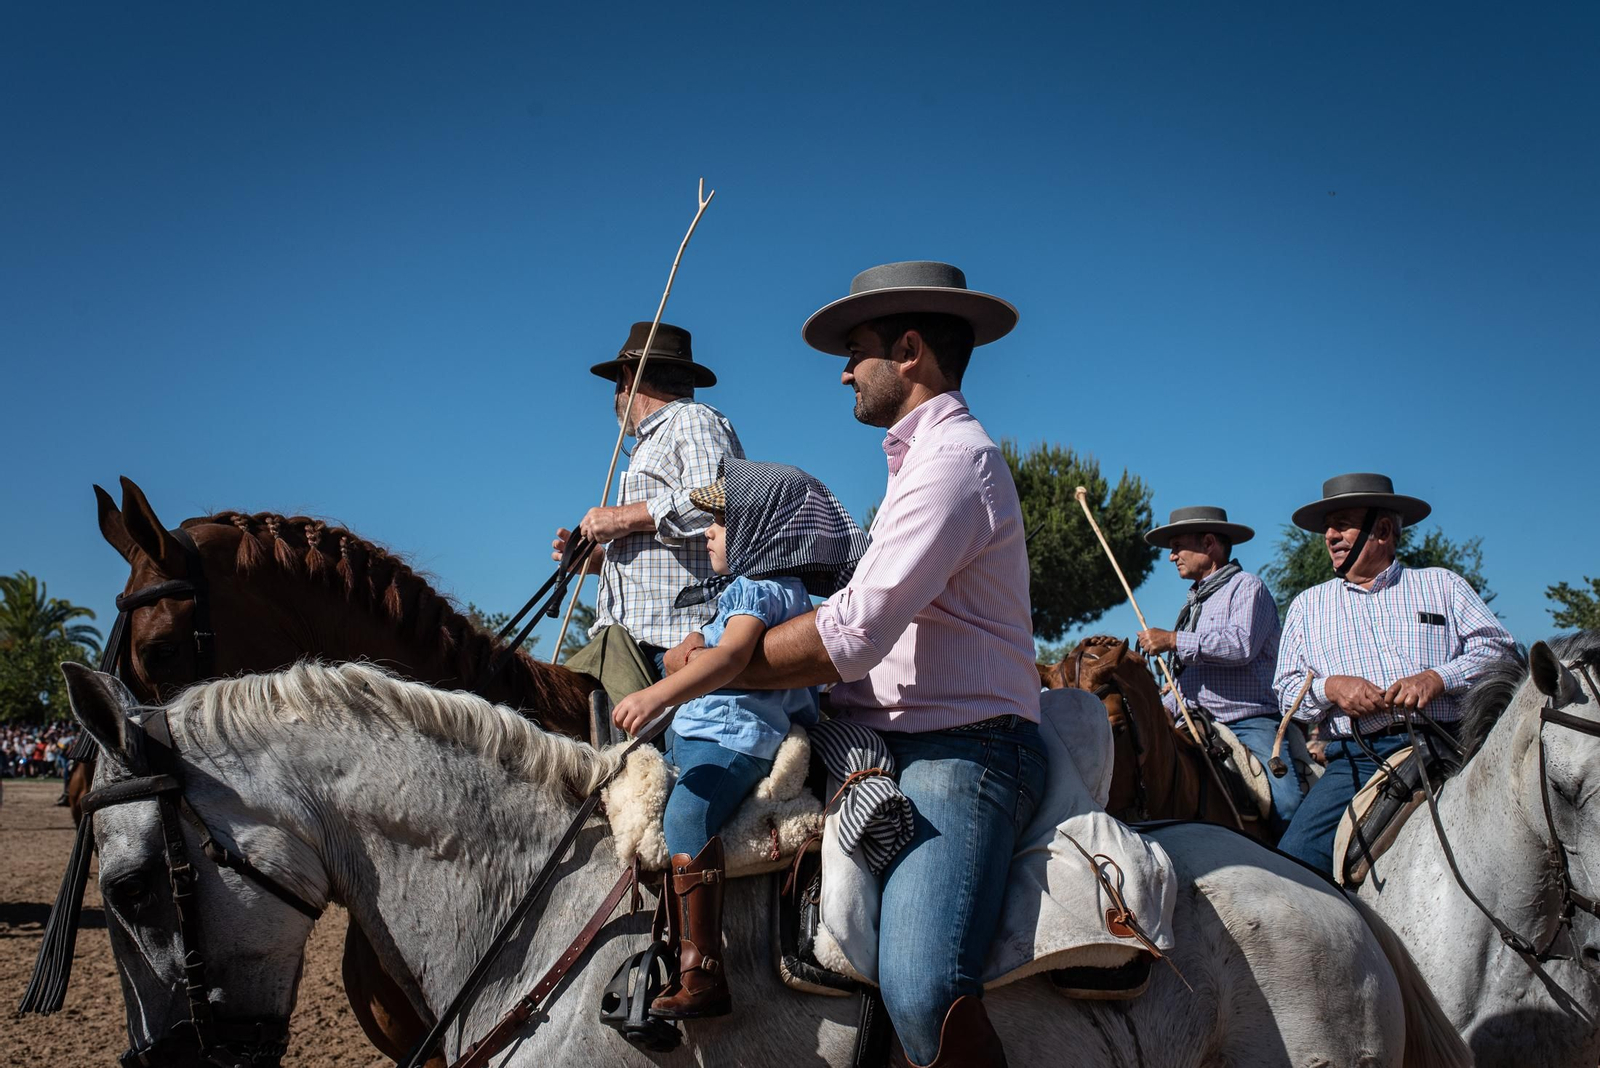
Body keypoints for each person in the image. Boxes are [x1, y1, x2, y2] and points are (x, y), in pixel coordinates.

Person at [670, 261, 1042, 1067]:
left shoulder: (953, 466)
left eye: (856, 351)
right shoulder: (915, 466)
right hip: (875, 741)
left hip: (964, 747)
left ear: (908, 350)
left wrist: (720, 665)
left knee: (922, 986)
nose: (843, 371)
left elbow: (855, 634)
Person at [610, 459, 868, 1020]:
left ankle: (702, 971)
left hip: (730, 740)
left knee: (684, 818)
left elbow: (728, 660)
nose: (708, 532)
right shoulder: (750, 591)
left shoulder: (762, 589)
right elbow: (703, 649)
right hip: (700, 733)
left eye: (721, 523)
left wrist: (661, 694)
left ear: (760, 531)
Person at [1274, 473, 1518, 875]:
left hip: (1456, 743)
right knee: (1293, 863)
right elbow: (1285, 693)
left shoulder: (1443, 584)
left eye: (1343, 523)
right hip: (1359, 759)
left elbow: (1503, 653)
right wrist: (1332, 688)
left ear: (1383, 529)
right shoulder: (1306, 606)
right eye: (1326, 528)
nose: (1330, 535)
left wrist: (1438, 678)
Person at [553, 323, 743, 689]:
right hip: (638, 646)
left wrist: (621, 518)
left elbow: (718, 500)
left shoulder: (693, 419)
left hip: (676, 646)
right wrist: (601, 563)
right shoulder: (652, 441)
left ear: (628, 376)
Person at [1135, 506, 1299, 833]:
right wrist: (1157, 709)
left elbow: (1239, 645)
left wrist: (1172, 639)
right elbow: (1189, 677)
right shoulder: (1194, 603)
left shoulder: (1248, 587)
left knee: (1288, 802)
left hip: (1247, 722)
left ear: (1209, 543)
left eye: (1178, 545)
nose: (1171, 556)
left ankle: (1302, 868)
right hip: (1192, 720)